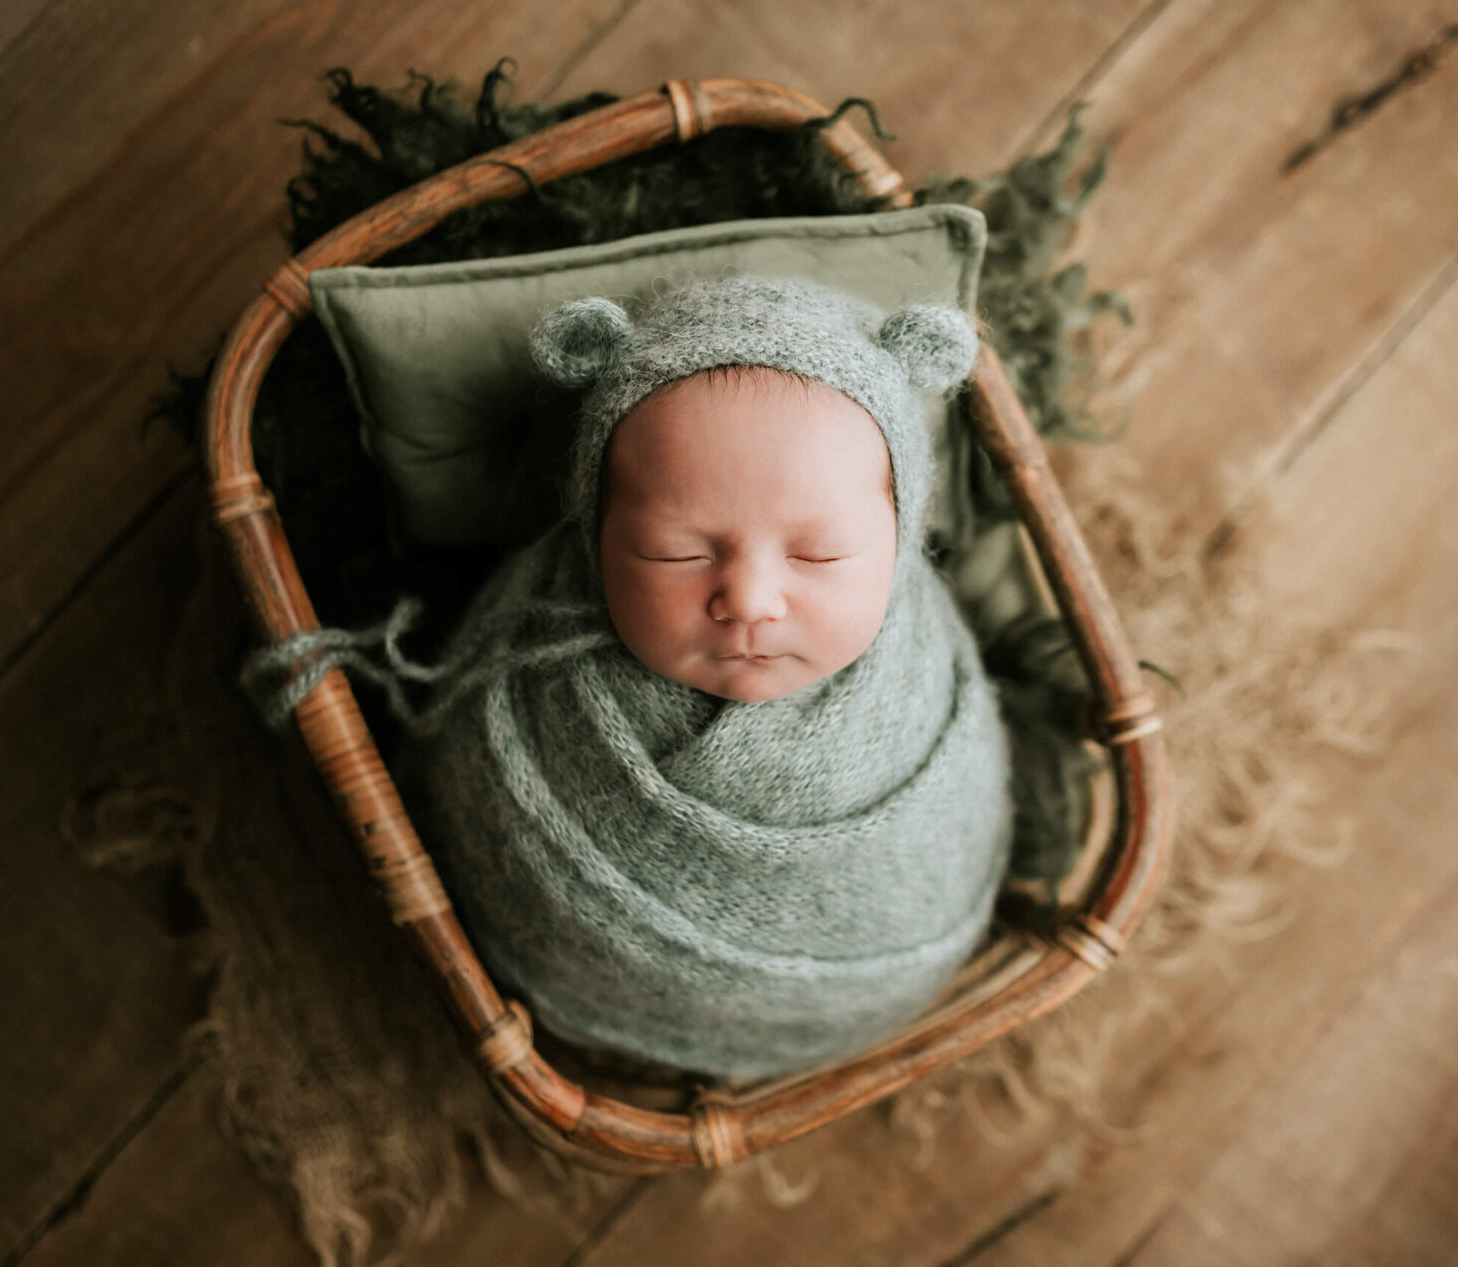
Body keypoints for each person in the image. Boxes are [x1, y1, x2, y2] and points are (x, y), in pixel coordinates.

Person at [397, 274, 1015, 1079]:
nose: (749, 600)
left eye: (819, 554)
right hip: (569, 1004)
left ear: (901, 541)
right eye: (676, 553)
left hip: (884, 985)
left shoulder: (925, 686)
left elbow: (951, 837)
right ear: (593, 533)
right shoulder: (533, 656)